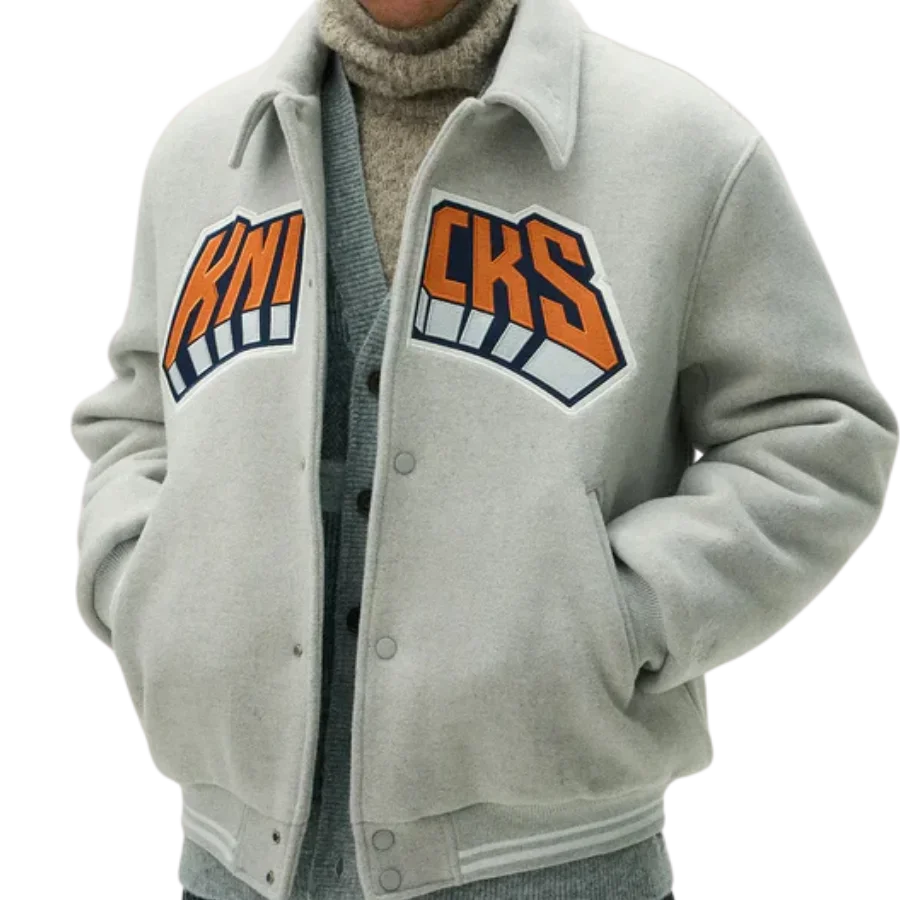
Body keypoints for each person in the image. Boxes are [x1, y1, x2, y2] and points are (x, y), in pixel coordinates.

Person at [70, 0, 899, 899]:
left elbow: (819, 436)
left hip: (556, 867)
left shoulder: (685, 146)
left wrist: (622, 615)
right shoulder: (198, 154)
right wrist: (144, 585)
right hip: (227, 861)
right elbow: (136, 415)